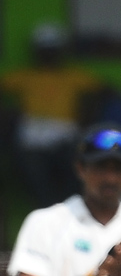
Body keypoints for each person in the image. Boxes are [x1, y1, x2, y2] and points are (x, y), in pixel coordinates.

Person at [7, 123, 121, 276]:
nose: (110, 178)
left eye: (119, 169)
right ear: (80, 168)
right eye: (101, 167)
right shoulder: (45, 224)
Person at [0, 23, 112, 208]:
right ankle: (48, 209)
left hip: (65, 134)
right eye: (44, 50)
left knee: (77, 170)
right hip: (33, 136)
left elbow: (108, 91)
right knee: (33, 173)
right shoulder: (25, 76)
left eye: (52, 50)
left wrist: (88, 112)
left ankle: (68, 208)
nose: (48, 54)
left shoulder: (73, 76)